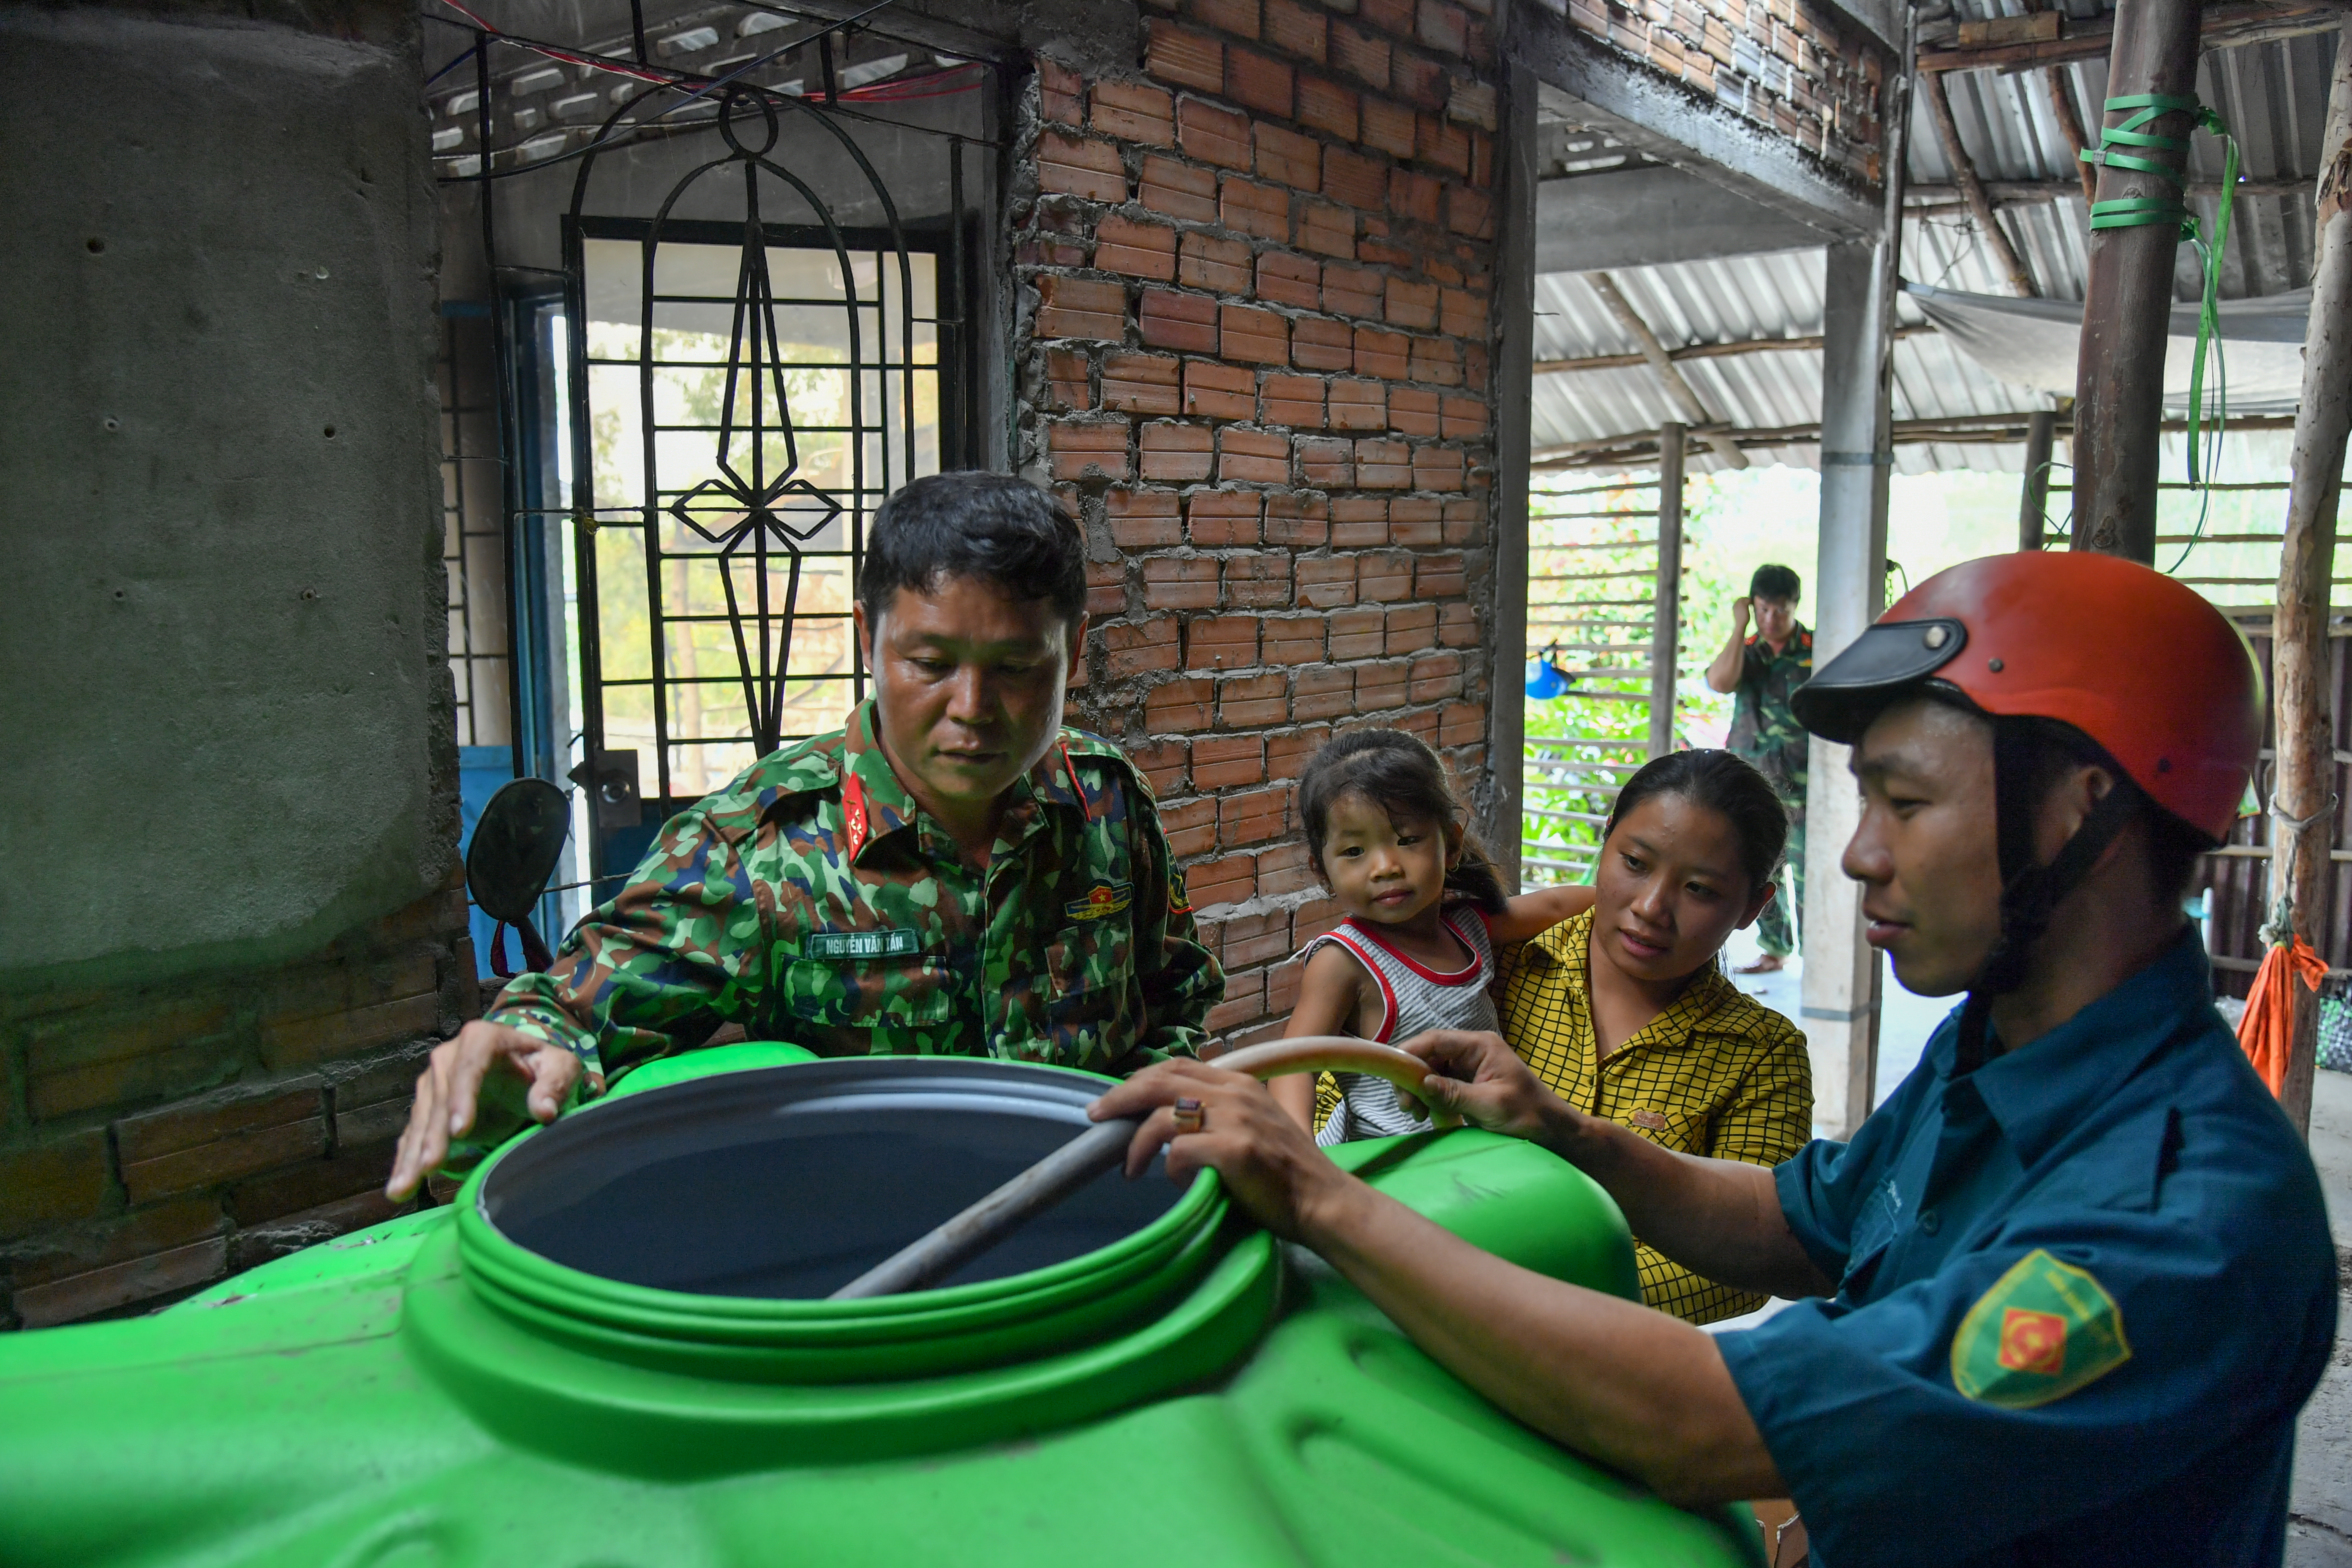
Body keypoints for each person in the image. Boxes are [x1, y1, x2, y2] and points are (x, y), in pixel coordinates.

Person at [1092, 551, 2337, 1566]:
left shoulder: (2182, 1222)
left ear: (2076, 807)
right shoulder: (1996, 1047)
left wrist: (1318, 1194)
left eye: (1900, 804)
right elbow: (1808, 1219)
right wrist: (1568, 1134)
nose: (1855, 858)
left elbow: (1699, 1423)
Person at [387, 472, 1222, 1201]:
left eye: (1015, 667)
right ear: (870, 639)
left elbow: (1174, 992)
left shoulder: (1109, 804)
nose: (972, 706)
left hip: (1099, 1230)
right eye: (931, 663)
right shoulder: (761, 848)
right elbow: (570, 1010)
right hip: (866, 1266)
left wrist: (1167, 1103)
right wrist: (517, 1052)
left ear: (1074, 650)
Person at [1495, 749, 1814, 1323]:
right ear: (1607, 839)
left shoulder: (1763, 1054)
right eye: (1636, 863)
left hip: (1606, 1371)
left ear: (1752, 908)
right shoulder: (1498, 963)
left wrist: (1523, 1296)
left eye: (1699, 890)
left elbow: (1746, 1260)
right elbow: (1348, 1096)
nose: (1651, 908)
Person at [1274, 729, 1587, 1142]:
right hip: (1383, 1164)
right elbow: (1294, 1065)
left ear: (1452, 845)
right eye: (1354, 852)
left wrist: (1628, 900)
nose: (1385, 866)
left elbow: (1553, 907)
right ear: (1323, 872)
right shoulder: (1344, 961)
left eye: (1407, 840)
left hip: (1475, 1150)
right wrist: (1303, 1162)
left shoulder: (1469, 926)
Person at [1705, 564, 1811, 974]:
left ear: (1795, 607)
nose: (1771, 620)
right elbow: (1719, 681)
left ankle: (1820, 958)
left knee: (1810, 872)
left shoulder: (1818, 649)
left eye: (1779, 611)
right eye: (1763, 609)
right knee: (1764, 868)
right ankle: (1775, 948)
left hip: (1809, 784)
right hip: (1758, 783)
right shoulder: (1749, 650)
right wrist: (1739, 626)